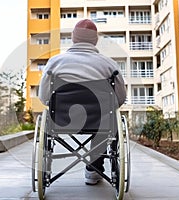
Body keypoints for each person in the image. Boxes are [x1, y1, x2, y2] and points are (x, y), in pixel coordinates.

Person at [38, 19, 126, 185]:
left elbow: (44, 98)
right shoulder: (109, 65)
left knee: (108, 116)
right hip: (99, 121)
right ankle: (94, 168)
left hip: (61, 119)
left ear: (73, 38)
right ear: (96, 40)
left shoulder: (55, 63)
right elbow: (119, 99)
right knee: (109, 118)